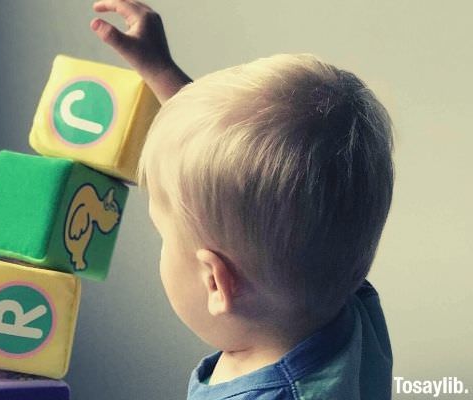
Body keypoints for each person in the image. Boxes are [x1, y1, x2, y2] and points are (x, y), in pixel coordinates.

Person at [90, 1, 394, 399]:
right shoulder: (335, 288)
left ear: (216, 281)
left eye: (163, 235)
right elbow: (269, 186)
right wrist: (163, 74)